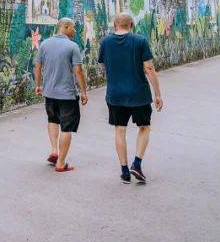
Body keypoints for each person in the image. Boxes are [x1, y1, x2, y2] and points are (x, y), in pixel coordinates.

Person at [97, 12, 163, 184]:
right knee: (144, 127)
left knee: (120, 130)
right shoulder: (140, 41)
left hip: (115, 94)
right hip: (139, 93)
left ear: (114, 24)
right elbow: (149, 68)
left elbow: (103, 66)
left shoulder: (105, 42)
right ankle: (137, 164)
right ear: (131, 25)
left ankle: (125, 171)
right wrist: (157, 93)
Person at [34, 17, 89, 173]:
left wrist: (38, 85)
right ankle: (61, 163)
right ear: (65, 26)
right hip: (67, 95)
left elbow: (37, 66)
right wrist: (83, 91)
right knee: (66, 127)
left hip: (49, 93)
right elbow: (78, 71)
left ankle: (55, 150)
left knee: (52, 119)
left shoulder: (44, 44)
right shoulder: (72, 46)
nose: (75, 30)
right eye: (73, 27)